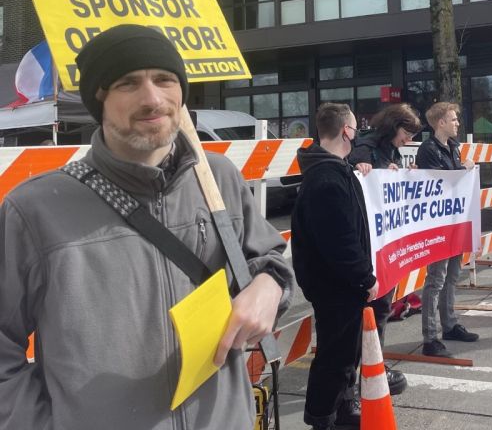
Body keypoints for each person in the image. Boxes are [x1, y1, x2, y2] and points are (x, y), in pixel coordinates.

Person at [0, 25, 294, 430]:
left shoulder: (219, 178)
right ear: (99, 100)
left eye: (164, 79)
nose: (152, 98)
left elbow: (269, 260)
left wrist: (268, 288)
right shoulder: (34, 210)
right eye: (127, 83)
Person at [291, 103, 378, 430]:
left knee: (344, 354)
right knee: (334, 357)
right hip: (336, 287)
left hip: (339, 284)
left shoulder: (335, 170)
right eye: (355, 127)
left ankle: (342, 410)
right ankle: (322, 418)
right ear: (346, 131)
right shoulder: (327, 179)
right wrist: (363, 277)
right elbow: (340, 241)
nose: (357, 133)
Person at [348, 102, 422, 395]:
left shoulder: (388, 149)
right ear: (394, 126)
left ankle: (373, 361)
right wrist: (370, 169)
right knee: (372, 308)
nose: (409, 139)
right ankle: (367, 365)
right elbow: (359, 173)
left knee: (381, 308)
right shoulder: (366, 148)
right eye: (407, 132)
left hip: (382, 243)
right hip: (370, 245)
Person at [415, 102, 479, 358]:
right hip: (437, 225)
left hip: (454, 221)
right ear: (440, 122)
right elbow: (440, 181)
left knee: (452, 275)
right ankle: (430, 337)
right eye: (453, 119)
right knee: (436, 279)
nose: (457, 123)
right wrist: (464, 168)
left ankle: (450, 324)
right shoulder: (428, 150)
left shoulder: (453, 147)